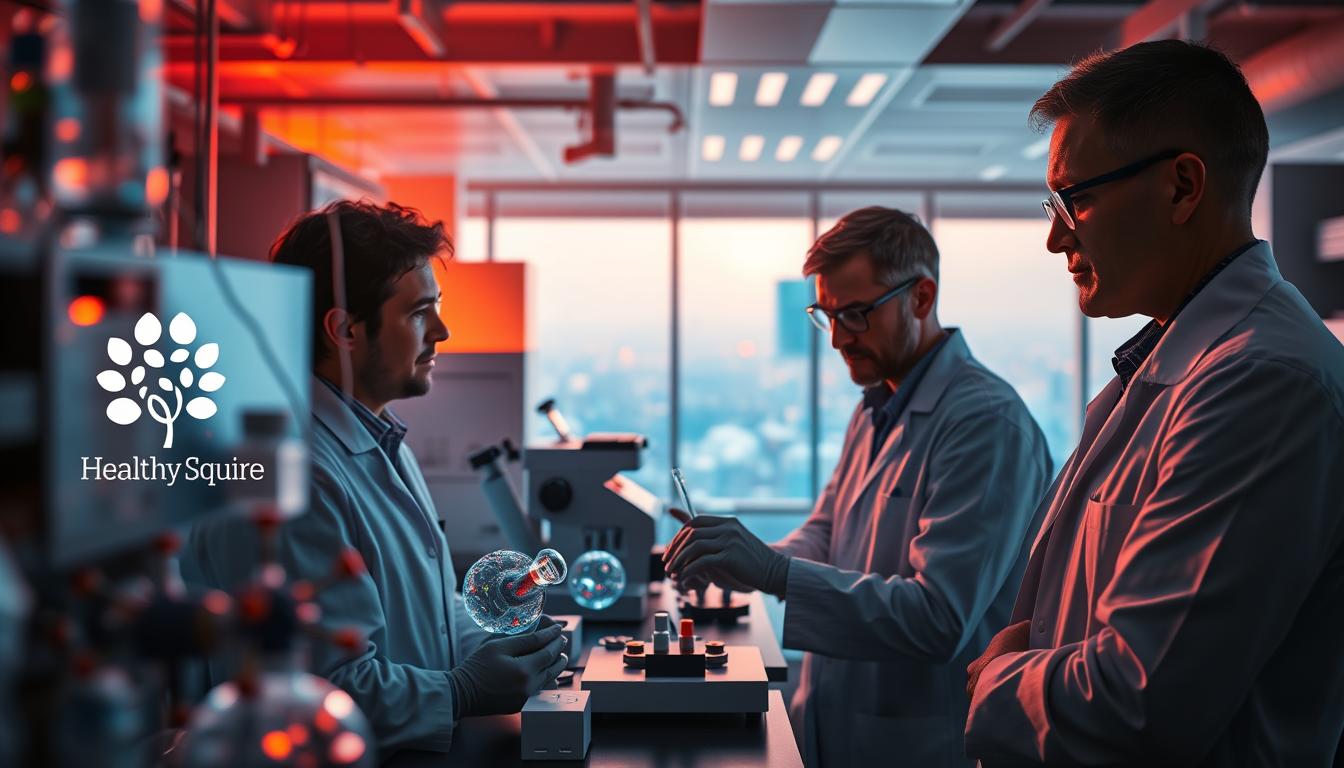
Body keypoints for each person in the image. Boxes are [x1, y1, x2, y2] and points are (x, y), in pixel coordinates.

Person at [964, 41, 1344, 765]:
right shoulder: (1175, 367)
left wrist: (999, 678)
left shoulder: (1262, 384)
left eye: (1076, 199)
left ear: (1181, 187)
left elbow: (1138, 704)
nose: (1055, 237)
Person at [664, 206, 1053, 766]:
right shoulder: (877, 402)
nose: (838, 340)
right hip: (838, 724)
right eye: (827, 316)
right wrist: (747, 560)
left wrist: (775, 573)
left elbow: (937, 619)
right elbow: (827, 530)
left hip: (924, 743)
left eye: (855, 314)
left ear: (921, 297)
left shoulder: (986, 424)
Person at [186, 200, 566, 755]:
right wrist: (459, 693)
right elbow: (319, 693)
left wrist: (502, 648)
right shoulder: (289, 475)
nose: (442, 330)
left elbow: (432, 610)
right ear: (344, 330)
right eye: (419, 313)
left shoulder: (378, 437)